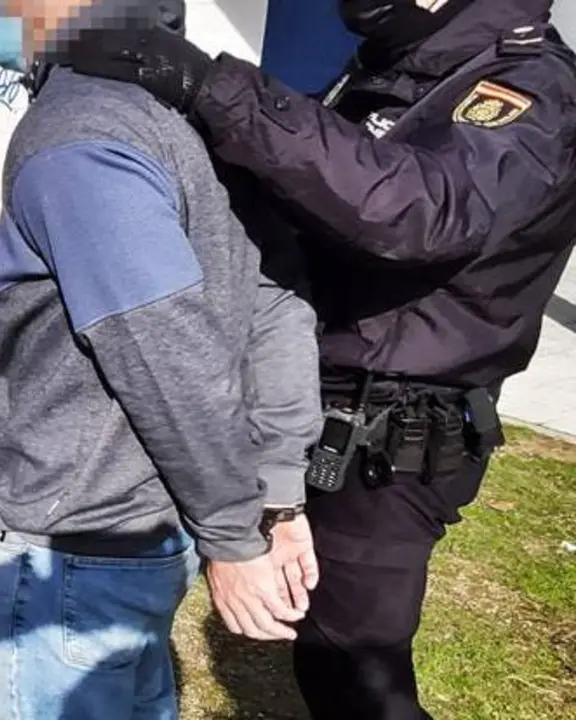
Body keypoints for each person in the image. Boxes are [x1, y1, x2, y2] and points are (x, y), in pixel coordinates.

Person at [65, 0, 576, 717]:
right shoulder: (396, 67)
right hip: (328, 405)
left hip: (393, 437)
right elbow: (313, 176)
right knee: (325, 651)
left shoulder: (529, 85)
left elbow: (412, 212)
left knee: (356, 670)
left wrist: (214, 88)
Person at [0, 0, 325, 716]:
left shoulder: (78, 135)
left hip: (81, 540)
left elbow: (172, 359)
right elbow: (276, 304)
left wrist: (236, 534)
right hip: (152, 530)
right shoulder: (200, 116)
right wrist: (276, 493)